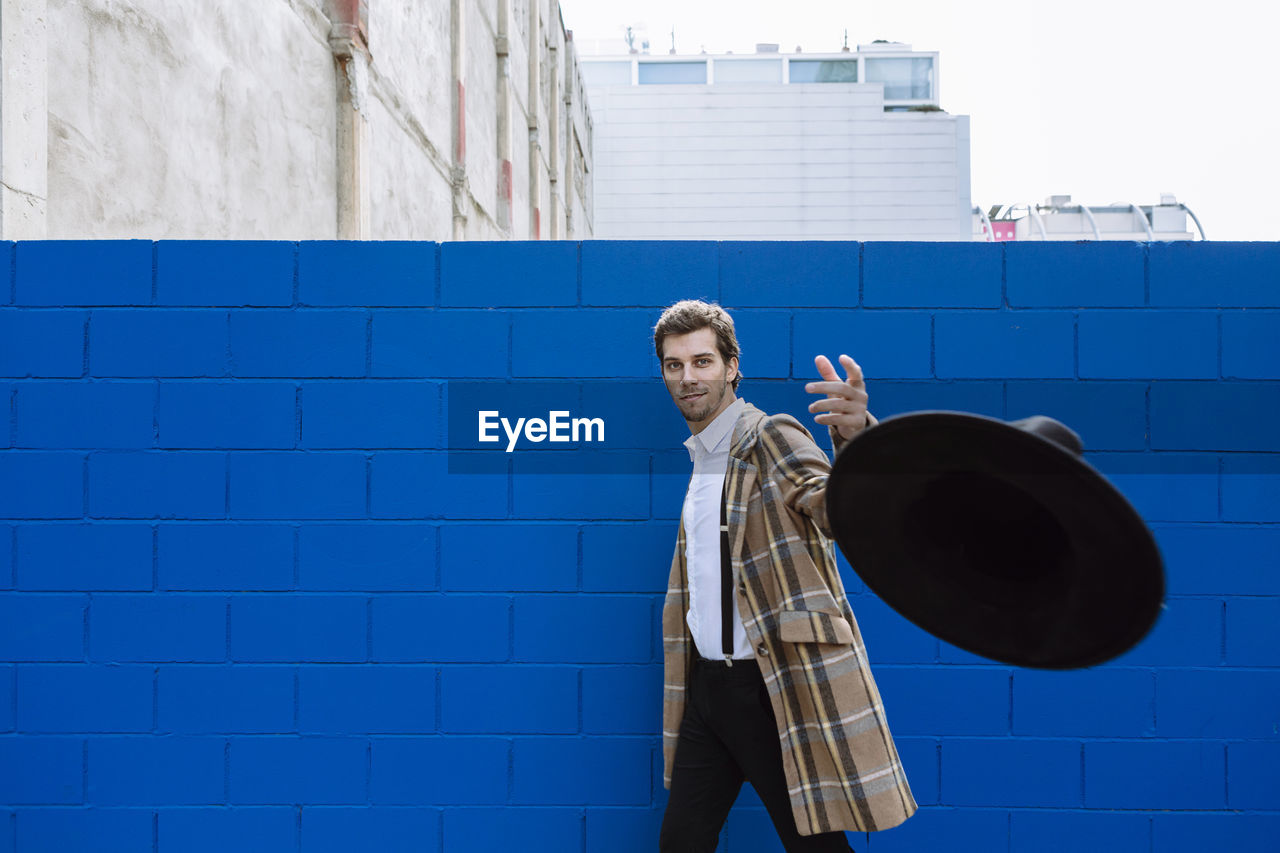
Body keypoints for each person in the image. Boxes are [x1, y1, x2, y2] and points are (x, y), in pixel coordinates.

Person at [654, 300, 916, 852]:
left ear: (731, 367)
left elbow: (837, 510)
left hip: (766, 687)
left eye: (702, 361)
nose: (687, 377)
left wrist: (855, 440)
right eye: (674, 365)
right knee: (680, 843)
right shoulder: (703, 459)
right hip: (707, 691)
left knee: (815, 847)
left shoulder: (769, 436)